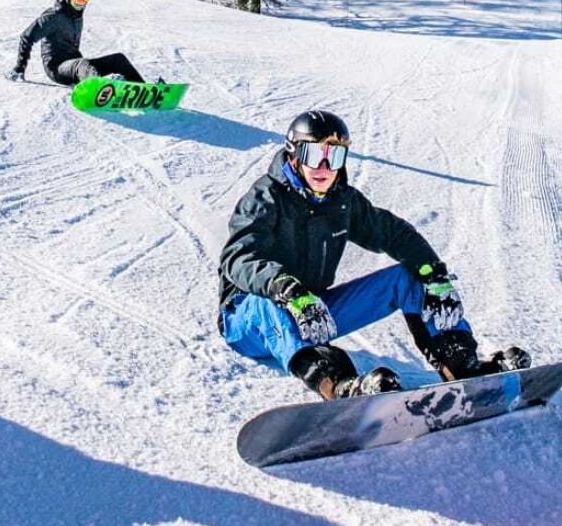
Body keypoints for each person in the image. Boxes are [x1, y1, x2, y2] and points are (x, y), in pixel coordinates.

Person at [218, 110, 528, 399]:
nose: (325, 168)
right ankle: (339, 386)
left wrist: (434, 275)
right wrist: (284, 288)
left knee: (410, 277)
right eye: (314, 155)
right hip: (248, 319)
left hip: (312, 313)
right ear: (294, 155)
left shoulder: (342, 202)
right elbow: (238, 257)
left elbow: (393, 233)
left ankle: (461, 366)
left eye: (335, 156)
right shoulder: (266, 197)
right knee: (265, 303)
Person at [10, 0, 150, 85]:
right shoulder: (54, 16)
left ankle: (144, 90)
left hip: (76, 65)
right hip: (57, 68)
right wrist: (19, 68)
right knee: (82, 64)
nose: (81, 1)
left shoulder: (76, 16)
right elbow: (26, 36)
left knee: (118, 59)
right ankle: (99, 88)